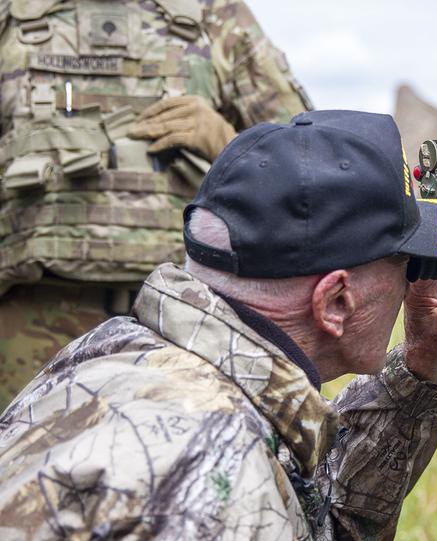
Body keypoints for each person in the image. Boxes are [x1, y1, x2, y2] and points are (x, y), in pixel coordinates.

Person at [0, 110, 437, 541]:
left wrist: (418, 370)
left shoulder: (113, 358)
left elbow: (308, 538)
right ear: (336, 302)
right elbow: (234, 510)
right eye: (404, 265)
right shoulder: (219, 490)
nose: (413, 284)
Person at [0, 0, 313, 410]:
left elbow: (312, 172)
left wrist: (227, 141)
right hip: (24, 327)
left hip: (183, 324)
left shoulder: (215, 15)